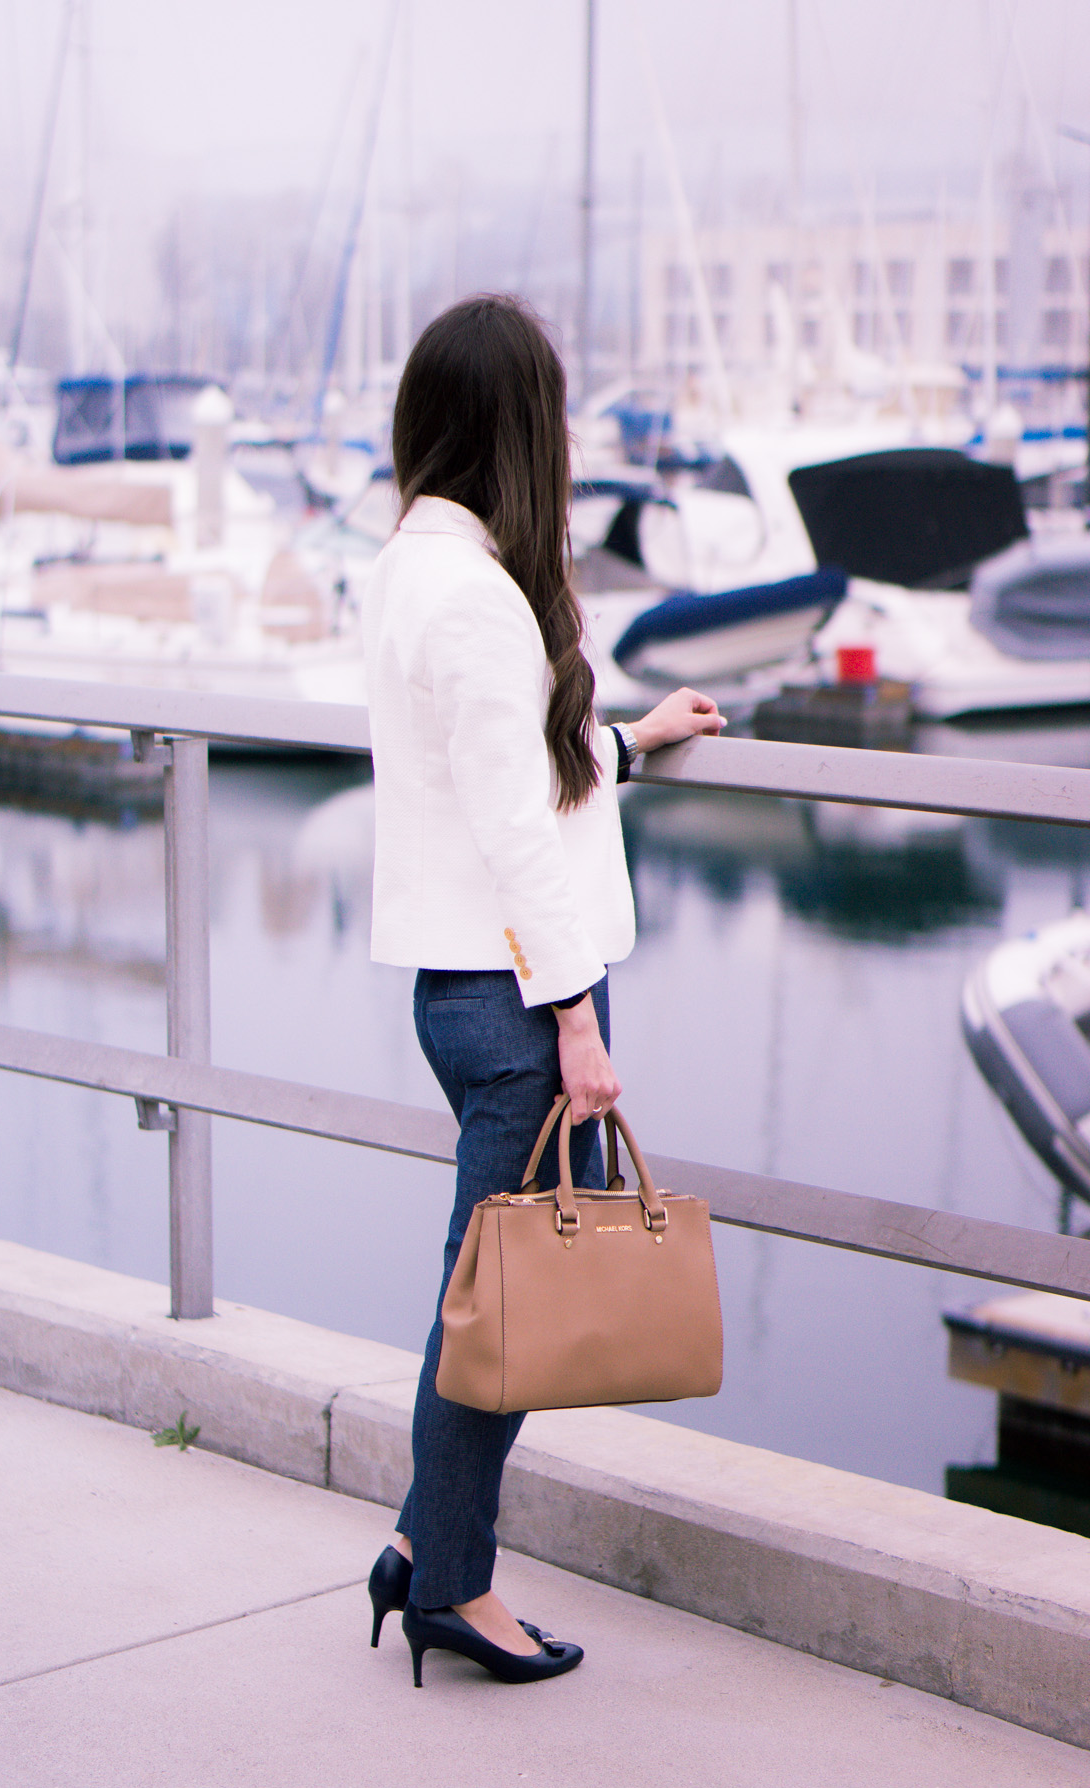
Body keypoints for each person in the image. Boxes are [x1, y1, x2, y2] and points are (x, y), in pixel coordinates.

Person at [362, 295, 723, 1688]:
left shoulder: (421, 569)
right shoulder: (469, 596)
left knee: (487, 1295)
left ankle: (420, 1547)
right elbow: (515, 834)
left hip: (481, 990)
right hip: (522, 1006)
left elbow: (511, 781)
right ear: (525, 429)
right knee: (498, 1318)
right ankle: (453, 1585)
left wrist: (630, 742)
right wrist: (576, 1022)